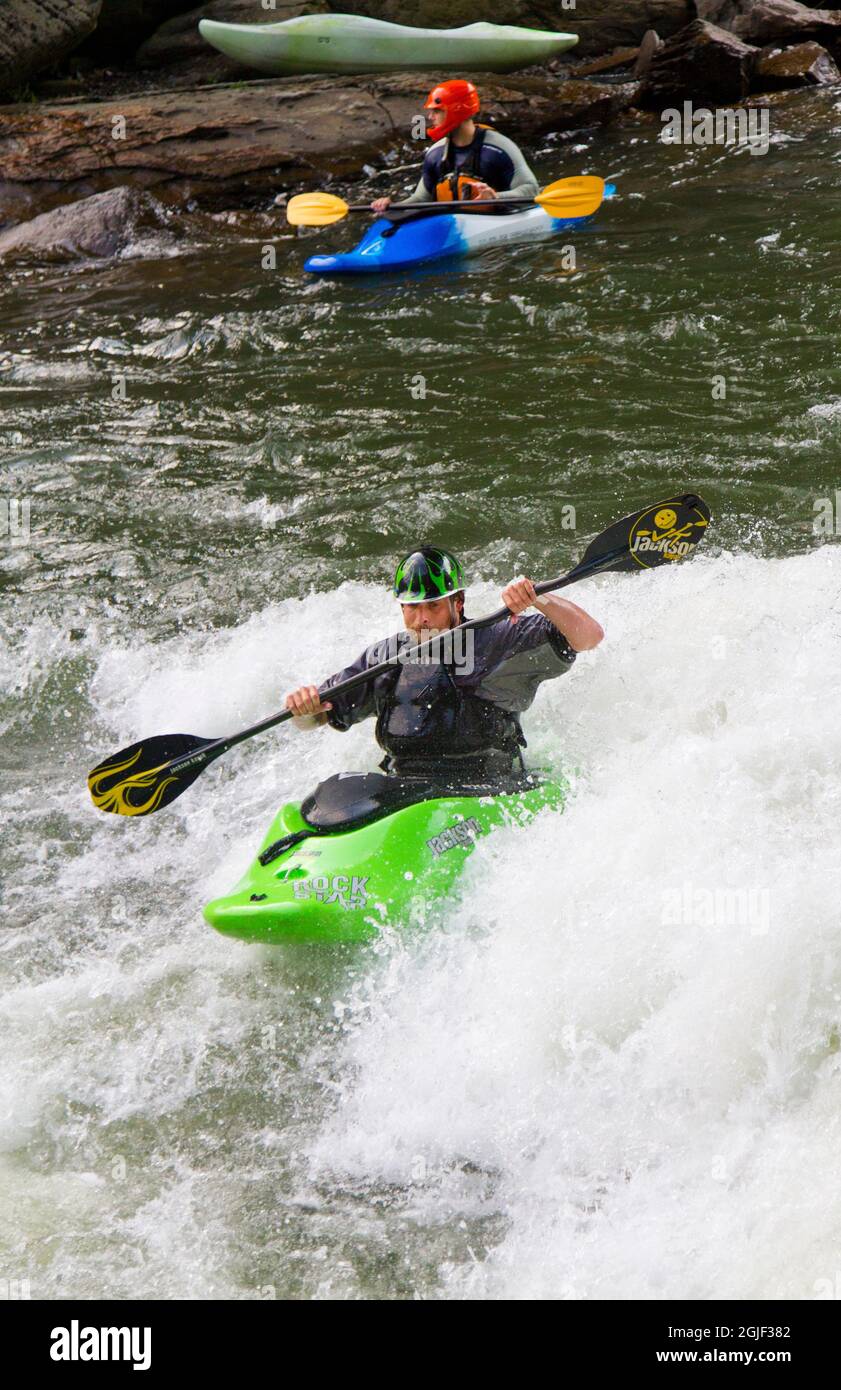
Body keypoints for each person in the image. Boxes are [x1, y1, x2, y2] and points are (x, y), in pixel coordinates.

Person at [285, 546, 603, 785]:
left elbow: (589, 636)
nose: (421, 618)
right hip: (407, 789)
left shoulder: (499, 639)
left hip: (485, 788)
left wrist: (538, 598)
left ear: (458, 603)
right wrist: (305, 709)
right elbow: (318, 717)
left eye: (433, 606)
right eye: (411, 607)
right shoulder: (385, 659)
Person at [370, 80, 539, 217]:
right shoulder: (435, 154)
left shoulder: (499, 148)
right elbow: (421, 199)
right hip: (453, 223)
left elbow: (531, 190)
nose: (430, 117)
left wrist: (496, 197)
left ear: (456, 110)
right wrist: (391, 207)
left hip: (500, 219)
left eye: (437, 111)